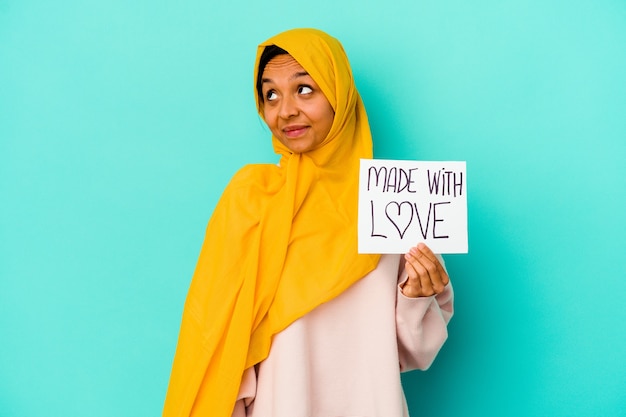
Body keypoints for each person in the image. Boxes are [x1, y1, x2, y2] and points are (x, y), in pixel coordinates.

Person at [163, 28, 453, 417]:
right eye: (270, 94)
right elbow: (219, 344)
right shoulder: (252, 199)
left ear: (340, 94)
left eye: (304, 89)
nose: (285, 111)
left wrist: (417, 298)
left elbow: (415, 352)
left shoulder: (394, 201)